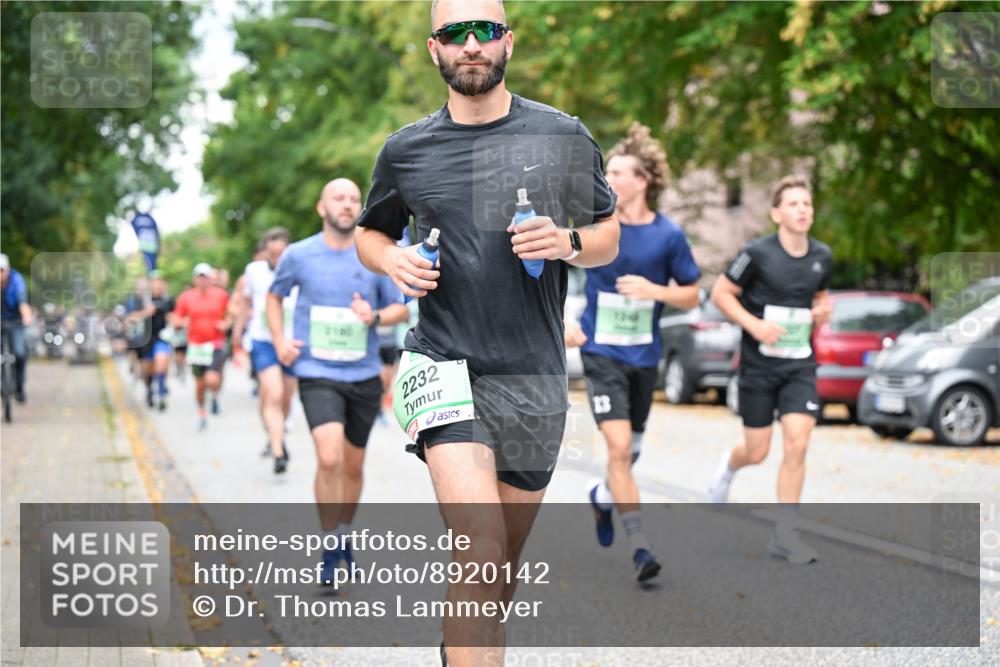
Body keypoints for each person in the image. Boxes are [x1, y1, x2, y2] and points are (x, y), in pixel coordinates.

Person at [354, 1, 620, 663]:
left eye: (485, 31)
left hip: (533, 378)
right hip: (444, 366)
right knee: (479, 546)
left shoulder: (562, 136)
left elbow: (608, 236)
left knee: (495, 576)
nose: (470, 44)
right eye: (454, 33)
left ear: (508, 42)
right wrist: (393, 260)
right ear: (433, 49)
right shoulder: (407, 150)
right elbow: (370, 232)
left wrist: (568, 241)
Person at [565, 123, 701, 583]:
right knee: (620, 447)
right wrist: (564, 323)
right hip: (600, 353)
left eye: (619, 172)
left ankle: (602, 496)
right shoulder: (597, 227)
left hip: (644, 357)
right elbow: (557, 268)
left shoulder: (668, 236)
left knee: (630, 453)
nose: (610, 179)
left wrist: (654, 290)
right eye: (608, 172)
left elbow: (693, 295)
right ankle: (640, 545)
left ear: (643, 181)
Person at [269, 179, 408, 578]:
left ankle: (344, 532)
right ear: (322, 207)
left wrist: (374, 317)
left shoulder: (374, 255)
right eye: (339, 198)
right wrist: (280, 340)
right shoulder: (298, 255)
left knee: (352, 465)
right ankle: (330, 543)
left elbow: (401, 308)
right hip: (317, 372)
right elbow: (274, 297)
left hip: (363, 374)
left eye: (353, 199)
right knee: (328, 457)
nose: (347, 205)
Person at [707, 174, 832, 565]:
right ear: (777, 214)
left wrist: (823, 313)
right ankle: (729, 467)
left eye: (807, 204)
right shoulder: (757, 253)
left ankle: (785, 535)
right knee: (757, 450)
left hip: (799, 364)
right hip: (759, 366)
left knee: (798, 442)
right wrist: (755, 325)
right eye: (794, 204)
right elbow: (721, 294)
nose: (802, 210)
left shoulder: (822, 255)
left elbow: (821, 298)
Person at [237, 228, 298, 473]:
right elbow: (245, 303)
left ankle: (278, 435)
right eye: (272, 254)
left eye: (281, 253)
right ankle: (278, 452)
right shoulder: (254, 271)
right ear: (266, 252)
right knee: (274, 394)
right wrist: (238, 333)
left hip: (291, 342)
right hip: (263, 341)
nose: (277, 258)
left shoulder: (298, 268)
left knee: (286, 398)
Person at [172, 263, 231, 430]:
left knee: (212, 379)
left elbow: (230, 314)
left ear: (210, 279)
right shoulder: (186, 297)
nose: (202, 280)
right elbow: (176, 317)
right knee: (200, 384)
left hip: (215, 344)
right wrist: (181, 322)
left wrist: (226, 323)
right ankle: (202, 412)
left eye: (205, 277)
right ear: (195, 279)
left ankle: (215, 396)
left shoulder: (221, 295)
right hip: (196, 347)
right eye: (200, 277)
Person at [137, 273, 175, 410]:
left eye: (161, 282)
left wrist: (172, 319)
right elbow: (131, 317)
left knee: (161, 362)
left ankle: (161, 393)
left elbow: (175, 315)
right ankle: (149, 389)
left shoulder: (168, 300)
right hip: (146, 338)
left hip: (162, 337)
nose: (158, 285)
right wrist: (145, 313)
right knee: (147, 369)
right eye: (155, 281)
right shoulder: (142, 299)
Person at [0, 253, 33, 403]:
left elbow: (22, 302)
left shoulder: (16, 280)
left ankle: (19, 386)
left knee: (20, 353)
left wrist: (26, 316)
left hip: (16, 320)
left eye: (2, 270)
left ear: (8, 269)